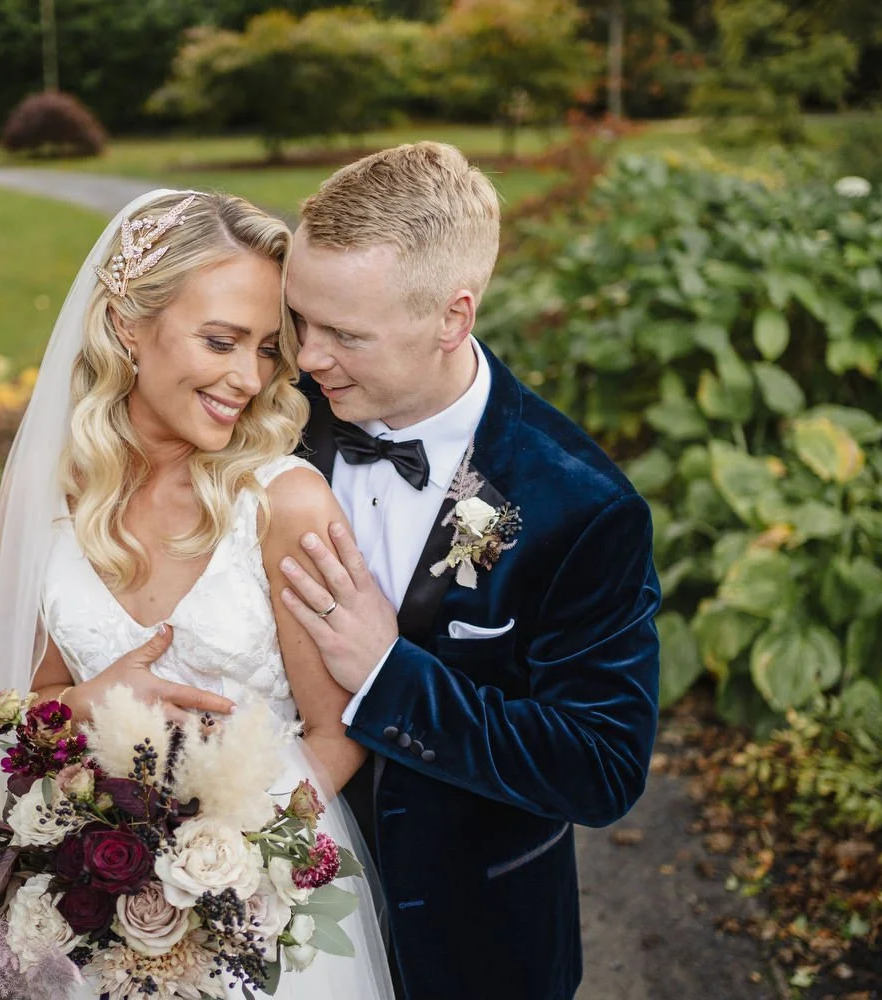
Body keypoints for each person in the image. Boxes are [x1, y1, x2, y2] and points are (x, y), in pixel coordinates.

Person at [0, 189, 395, 999]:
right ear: (129, 325)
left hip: (262, 934)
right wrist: (91, 703)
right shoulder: (51, 496)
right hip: (96, 921)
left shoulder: (284, 502)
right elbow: (27, 712)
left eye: (268, 349)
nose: (248, 378)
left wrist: (227, 865)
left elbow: (338, 732)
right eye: (220, 340)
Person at [275, 142, 662, 999]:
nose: (306, 357)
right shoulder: (271, 424)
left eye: (344, 334)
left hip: (475, 948)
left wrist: (387, 674)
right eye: (299, 319)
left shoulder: (581, 508)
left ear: (454, 317)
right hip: (273, 939)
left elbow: (599, 765)